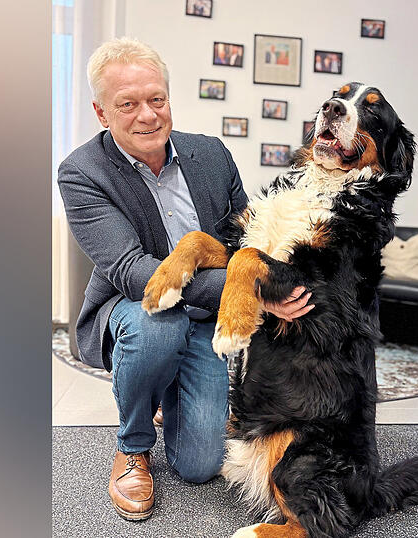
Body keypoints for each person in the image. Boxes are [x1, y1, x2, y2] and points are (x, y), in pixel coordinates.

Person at [57, 37, 313, 522]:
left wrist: (267, 278)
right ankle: (132, 447)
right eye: (127, 104)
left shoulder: (210, 153)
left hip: (204, 319)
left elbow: (244, 241)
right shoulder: (82, 173)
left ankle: (168, 388)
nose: (148, 115)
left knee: (199, 466)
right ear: (101, 112)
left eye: (157, 99)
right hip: (133, 307)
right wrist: (256, 292)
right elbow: (133, 272)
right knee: (159, 328)